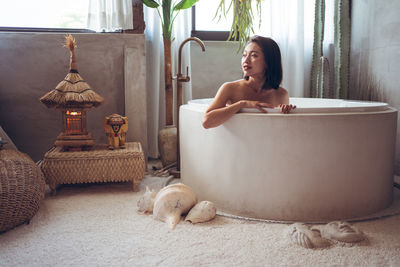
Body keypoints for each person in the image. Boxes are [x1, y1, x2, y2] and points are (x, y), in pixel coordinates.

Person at [202, 35, 296, 129]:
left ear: (269, 61)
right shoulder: (230, 88)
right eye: (244, 55)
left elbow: (282, 129)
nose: (246, 60)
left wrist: (287, 113)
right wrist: (242, 104)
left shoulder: (281, 94)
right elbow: (206, 122)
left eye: (253, 55)